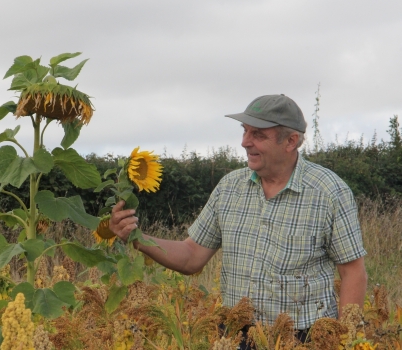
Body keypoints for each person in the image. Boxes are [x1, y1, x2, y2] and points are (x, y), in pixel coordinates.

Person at [109, 94, 367, 348]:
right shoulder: (229, 188)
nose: (245, 142)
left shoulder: (329, 192)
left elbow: (352, 271)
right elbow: (191, 256)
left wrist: (346, 339)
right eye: (245, 131)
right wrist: (135, 236)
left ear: (291, 141)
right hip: (236, 337)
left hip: (304, 338)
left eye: (258, 135)